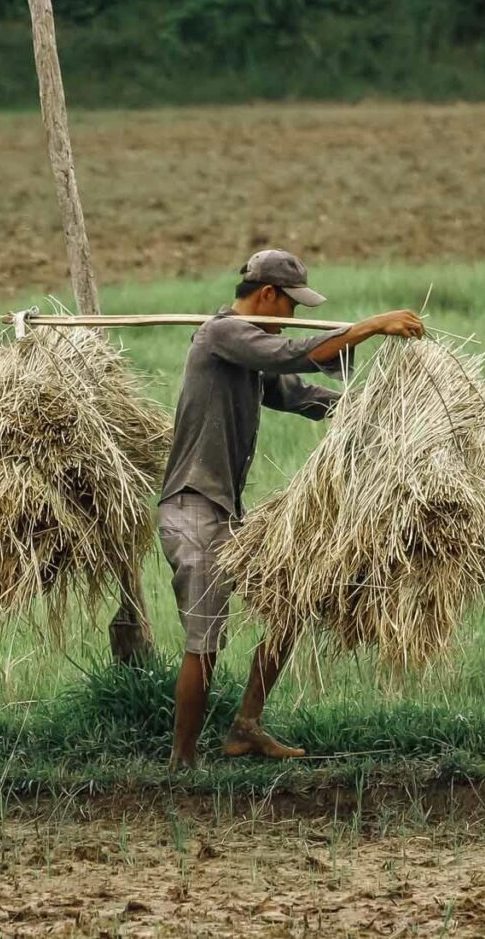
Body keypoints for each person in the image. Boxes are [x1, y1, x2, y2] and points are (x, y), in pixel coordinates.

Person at [151, 249, 423, 766]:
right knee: (205, 641)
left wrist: (376, 410)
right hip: (194, 510)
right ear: (267, 296)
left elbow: (295, 392)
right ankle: (181, 761)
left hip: (226, 512)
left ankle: (245, 727)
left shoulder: (248, 353)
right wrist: (369, 327)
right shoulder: (222, 334)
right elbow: (289, 355)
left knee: (291, 600)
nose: (293, 319)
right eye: (290, 307)